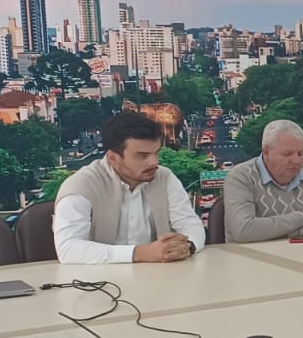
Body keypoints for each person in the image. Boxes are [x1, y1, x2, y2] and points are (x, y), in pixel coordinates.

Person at [54, 110, 206, 264]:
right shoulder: (81, 186)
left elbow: (190, 225)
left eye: (156, 153)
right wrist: (139, 253)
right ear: (113, 158)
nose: (154, 162)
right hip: (98, 277)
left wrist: (187, 246)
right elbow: (68, 248)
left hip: (159, 275)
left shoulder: (164, 178)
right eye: (142, 156)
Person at [221, 119, 303, 243]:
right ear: (266, 152)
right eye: (287, 154)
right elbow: (243, 231)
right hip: (249, 256)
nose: (296, 160)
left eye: (300, 153)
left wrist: (272, 233)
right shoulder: (240, 176)